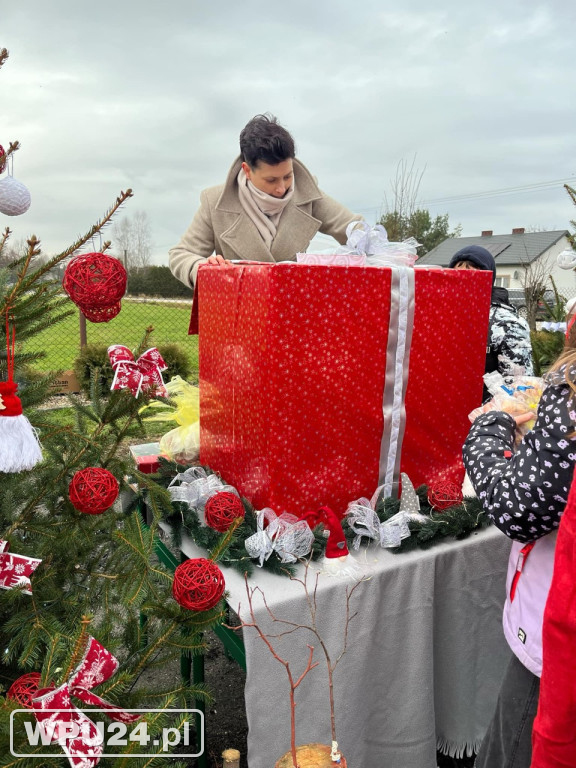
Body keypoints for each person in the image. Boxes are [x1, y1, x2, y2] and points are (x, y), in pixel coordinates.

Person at [462, 337, 576, 767]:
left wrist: (490, 427)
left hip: (558, 634)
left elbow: (519, 509)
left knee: (514, 746)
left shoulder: (571, 396)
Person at [169, 113, 363, 289]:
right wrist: (201, 268)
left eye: (288, 176)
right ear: (247, 170)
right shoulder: (215, 202)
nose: (281, 188)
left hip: (294, 316)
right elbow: (180, 255)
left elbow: (355, 230)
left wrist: (372, 249)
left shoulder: (308, 193)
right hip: (237, 318)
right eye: (271, 180)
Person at [449, 245, 534, 401]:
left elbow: (518, 384)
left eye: (472, 275)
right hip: (447, 411)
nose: (464, 281)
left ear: (488, 278)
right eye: (458, 274)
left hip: (488, 418)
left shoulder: (507, 323)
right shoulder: (445, 316)